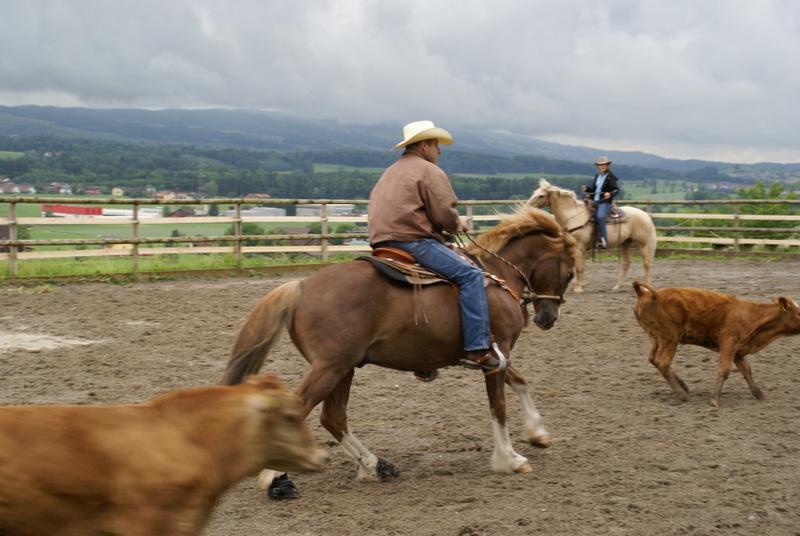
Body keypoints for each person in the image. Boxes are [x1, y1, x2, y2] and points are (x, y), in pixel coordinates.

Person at [367, 120, 499, 379]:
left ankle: (423, 356)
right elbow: (444, 214)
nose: (439, 150)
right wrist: (458, 223)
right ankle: (477, 349)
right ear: (424, 145)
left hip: (382, 243)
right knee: (471, 275)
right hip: (412, 241)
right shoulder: (428, 170)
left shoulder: (390, 172)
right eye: (436, 144)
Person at [581, 156, 620, 249]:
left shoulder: (610, 177)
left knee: (600, 216)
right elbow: (593, 189)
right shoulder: (597, 176)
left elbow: (616, 190)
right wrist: (587, 189)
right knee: (583, 212)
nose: (602, 166)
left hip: (605, 202)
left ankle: (603, 239)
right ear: (598, 166)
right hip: (595, 200)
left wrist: (609, 194)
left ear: (607, 165)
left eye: (604, 164)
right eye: (600, 165)